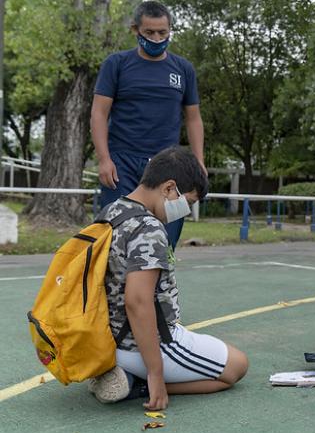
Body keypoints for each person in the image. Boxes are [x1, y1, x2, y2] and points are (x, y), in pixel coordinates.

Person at [88, 147, 248, 410]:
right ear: (169, 188)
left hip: (108, 337)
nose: (185, 210)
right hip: (141, 344)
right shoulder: (149, 228)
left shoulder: (112, 211)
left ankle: (122, 372)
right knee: (237, 366)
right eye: (189, 202)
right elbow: (138, 302)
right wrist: (156, 373)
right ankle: (136, 385)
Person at [91, 0, 205, 250]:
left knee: (164, 243)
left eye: (162, 33)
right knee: (115, 241)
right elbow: (99, 113)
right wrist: (103, 159)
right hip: (121, 166)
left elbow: (193, 118)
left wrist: (199, 162)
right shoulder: (116, 64)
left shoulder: (183, 69)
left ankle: (160, 290)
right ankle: (116, 290)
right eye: (149, 33)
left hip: (169, 168)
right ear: (135, 30)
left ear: (170, 31)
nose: (156, 38)